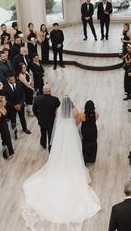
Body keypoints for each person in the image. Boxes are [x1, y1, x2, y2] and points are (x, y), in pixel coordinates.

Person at [22, 96, 101, 230]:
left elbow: (59, 121)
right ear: (70, 104)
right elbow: (76, 122)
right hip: (71, 134)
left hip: (61, 135)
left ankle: (59, 166)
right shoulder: (75, 111)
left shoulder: (58, 111)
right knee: (73, 151)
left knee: (60, 152)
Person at [2, 74, 31, 139]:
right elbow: (6, 100)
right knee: (13, 121)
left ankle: (24, 128)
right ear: (7, 80)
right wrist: (14, 106)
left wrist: (20, 104)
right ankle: (15, 133)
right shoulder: (5, 88)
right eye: (11, 80)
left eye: (13, 79)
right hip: (12, 107)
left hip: (20, 105)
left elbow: (23, 95)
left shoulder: (19, 84)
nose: (13, 81)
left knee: (22, 117)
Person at [33, 84, 60, 150]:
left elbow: (34, 110)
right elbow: (58, 106)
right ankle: (50, 147)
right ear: (50, 91)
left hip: (41, 119)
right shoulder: (55, 99)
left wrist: (38, 116)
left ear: (43, 90)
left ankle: (43, 144)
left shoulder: (37, 99)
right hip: (51, 120)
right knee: (51, 134)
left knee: (43, 132)